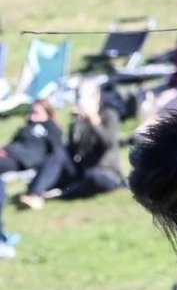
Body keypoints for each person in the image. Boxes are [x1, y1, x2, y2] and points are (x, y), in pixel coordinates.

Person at [18, 79, 124, 210]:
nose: (81, 100)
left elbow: (108, 143)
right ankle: (35, 194)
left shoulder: (108, 115)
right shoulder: (79, 119)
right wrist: (77, 126)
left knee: (95, 178)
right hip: (82, 169)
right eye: (78, 96)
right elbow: (73, 150)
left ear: (96, 96)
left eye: (84, 96)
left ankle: (62, 195)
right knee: (59, 154)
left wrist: (94, 121)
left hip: (105, 171)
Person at [0, 99, 62, 251]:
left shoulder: (51, 129)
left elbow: (56, 152)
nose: (33, 116)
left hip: (20, 160)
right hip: (7, 154)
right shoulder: (25, 128)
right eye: (32, 112)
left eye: (37, 112)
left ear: (47, 113)